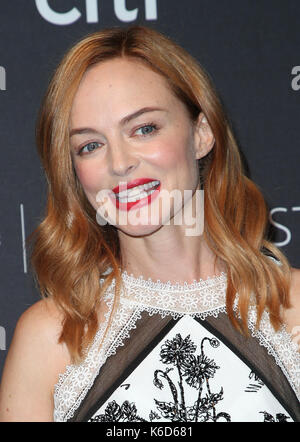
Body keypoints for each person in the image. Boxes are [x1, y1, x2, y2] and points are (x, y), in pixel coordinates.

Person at [0, 26, 299, 423]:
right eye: (90, 145)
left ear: (201, 133)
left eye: (144, 128)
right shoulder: (49, 339)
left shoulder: (293, 305)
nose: (119, 162)